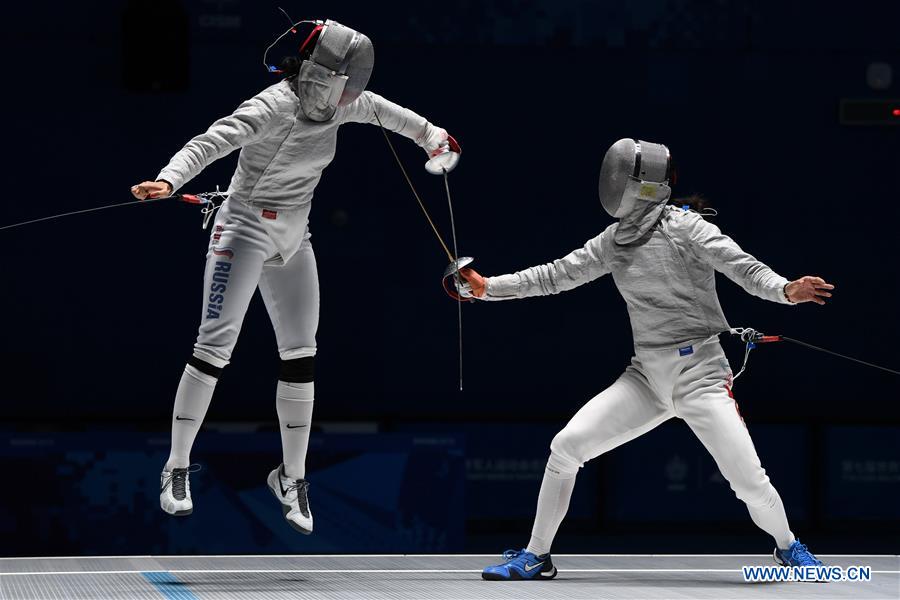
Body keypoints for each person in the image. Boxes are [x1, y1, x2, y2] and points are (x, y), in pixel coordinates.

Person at [131, 19, 455, 535]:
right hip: (243, 229)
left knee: (302, 353)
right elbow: (210, 142)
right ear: (320, 73)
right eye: (345, 78)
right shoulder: (271, 106)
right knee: (214, 348)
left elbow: (400, 119)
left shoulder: (344, 105)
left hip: (294, 236)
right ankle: (176, 467)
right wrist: (170, 178)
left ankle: (292, 477)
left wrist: (436, 140)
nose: (352, 90)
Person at [455, 139, 834, 580]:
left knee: (748, 481)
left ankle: (788, 547)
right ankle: (536, 555)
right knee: (566, 447)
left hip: (700, 376)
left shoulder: (688, 228)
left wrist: (785, 290)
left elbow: (744, 268)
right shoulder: (613, 241)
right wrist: (489, 288)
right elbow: (555, 275)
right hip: (647, 377)